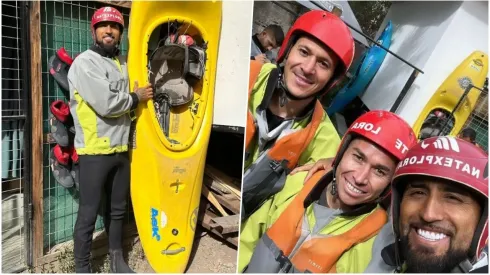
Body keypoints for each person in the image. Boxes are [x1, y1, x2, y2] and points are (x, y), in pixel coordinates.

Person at [239, 110, 417, 273]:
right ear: (341, 154)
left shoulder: (373, 242)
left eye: (380, 171)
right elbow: (246, 241)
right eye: (358, 157)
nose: (361, 178)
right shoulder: (299, 183)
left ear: (389, 184)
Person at [242, 10, 356, 221]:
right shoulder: (245, 73)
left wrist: (333, 170)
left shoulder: (325, 140)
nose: (308, 68)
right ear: (287, 50)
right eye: (304, 52)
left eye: (323, 64)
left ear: (331, 80)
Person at [68, 6, 153, 273]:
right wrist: (136, 97)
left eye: (115, 26)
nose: (109, 30)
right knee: (88, 215)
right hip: (94, 152)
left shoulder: (122, 63)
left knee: (118, 210)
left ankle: (117, 261)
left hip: (120, 149)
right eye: (103, 26)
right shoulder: (84, 63)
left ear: (120, 33)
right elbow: (106, 104)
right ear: (94, 31)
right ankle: (83, 268)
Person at [365, 136, 488, 273]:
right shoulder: (382, 247)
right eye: (418, 193)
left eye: (452, 198)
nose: (428, 214)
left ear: (483, 219)